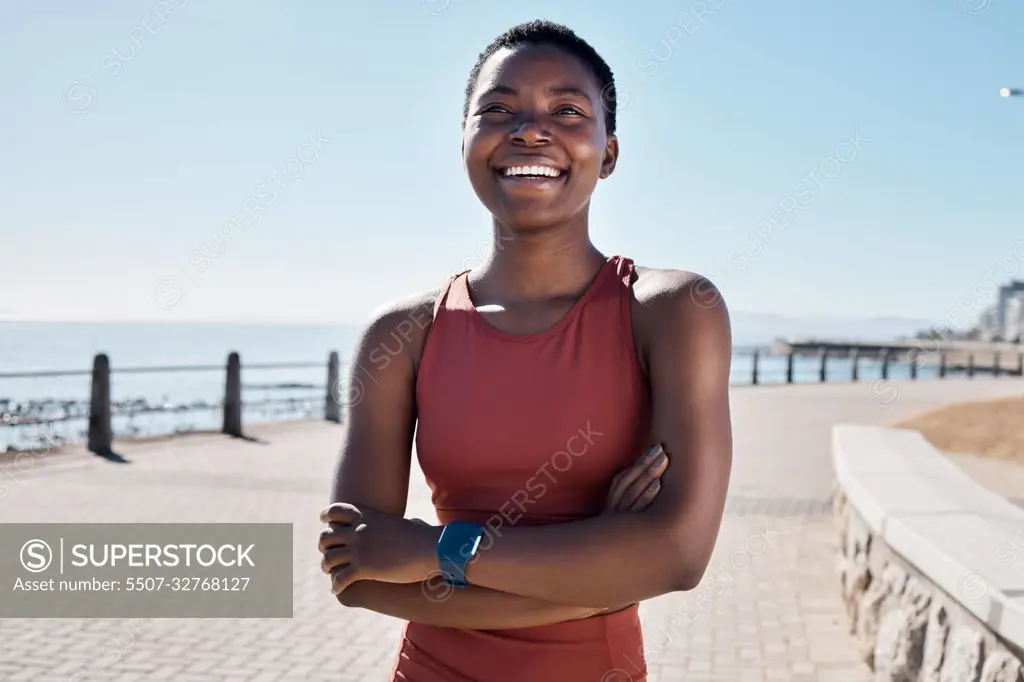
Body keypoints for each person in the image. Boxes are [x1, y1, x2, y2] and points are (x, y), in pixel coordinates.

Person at [317, 19, 733, 682]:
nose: (530, 129)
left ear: (611, 151)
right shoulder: (401, 335)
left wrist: (432, 549)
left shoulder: (671, 311)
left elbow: (678, 557)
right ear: (465, 142)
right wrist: (603, 571)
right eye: (498, 109)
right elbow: (356, 575)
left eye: (567, 111)